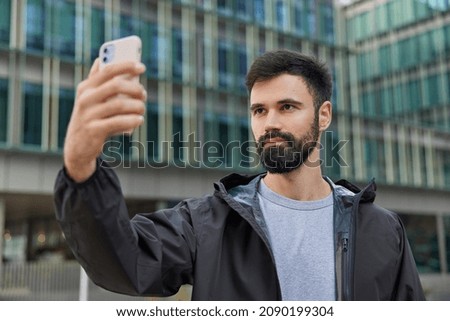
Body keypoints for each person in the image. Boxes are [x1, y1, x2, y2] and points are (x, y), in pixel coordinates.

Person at [54, 49, 425, 300]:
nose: (271, 123)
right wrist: (81, 168)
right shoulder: (207, 223)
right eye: (259, 111)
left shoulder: (381, 229)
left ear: (323, 115)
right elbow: (124, 262)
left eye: (287, 107)